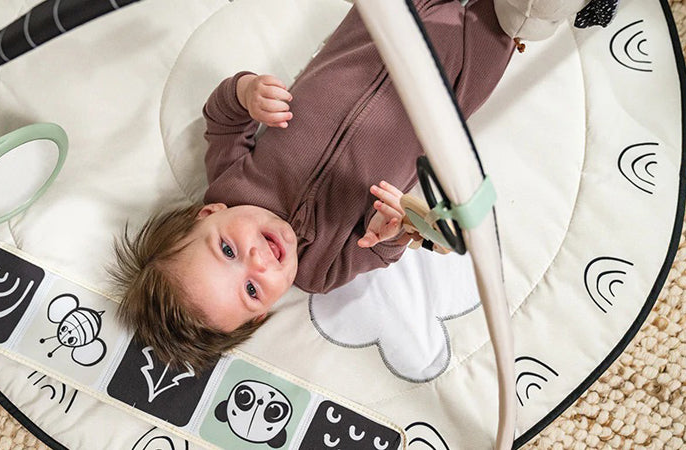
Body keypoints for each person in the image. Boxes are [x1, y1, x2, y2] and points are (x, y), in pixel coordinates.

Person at [111, 0, 515, 374]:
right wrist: (390, 230)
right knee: (507, 21)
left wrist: (246, 93)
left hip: (374, 33)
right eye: (251, 289)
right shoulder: (321, 271)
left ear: (209, 213)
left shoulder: (230, 181)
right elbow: (379, 251)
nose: (257, 260)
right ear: (262, 313)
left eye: (228, 250)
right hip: (451, 87)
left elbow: (222, 118)